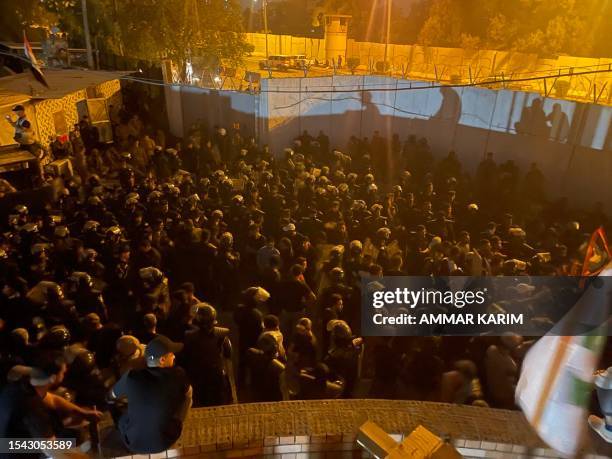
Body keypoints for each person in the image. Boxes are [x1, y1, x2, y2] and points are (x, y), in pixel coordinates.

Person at [0, 352, 102, 459]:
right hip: (15, 450)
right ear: (53, 378)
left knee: (72, 438)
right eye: (63, 371)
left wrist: (83, 413)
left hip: (8, 441)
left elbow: (52, 399)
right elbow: (54, 452)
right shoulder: (33, 408)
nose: (65, 371)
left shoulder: (26, 381)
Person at [109, 335, 192, 454]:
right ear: (162, 360)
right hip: (164, 441)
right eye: (171, 354)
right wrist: (180, 419)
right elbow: (188, 395)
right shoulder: (178, 375)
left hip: (133, 443)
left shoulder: (132, 376)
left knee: (124, 416)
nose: (174, 356)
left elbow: (110, 397)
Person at [181, 304, 234, 407]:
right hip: (215, 379)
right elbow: (229, 354)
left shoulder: (189, 336)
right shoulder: (221, 335)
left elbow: (185, 358)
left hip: (198, 379)